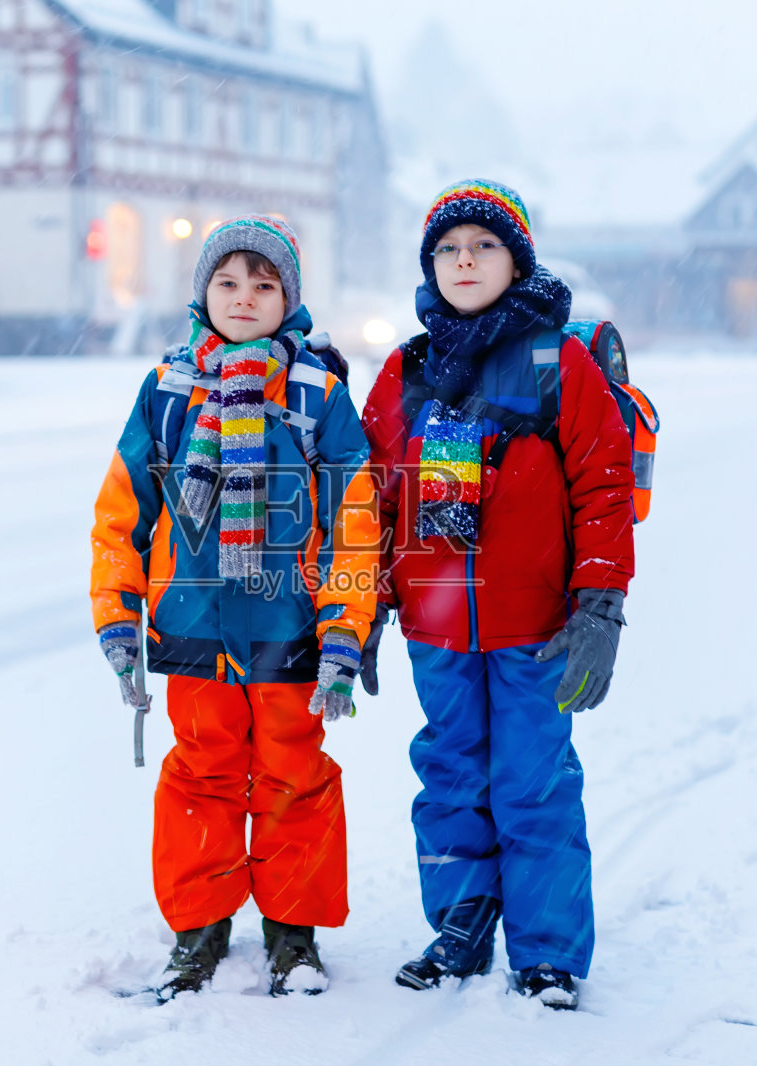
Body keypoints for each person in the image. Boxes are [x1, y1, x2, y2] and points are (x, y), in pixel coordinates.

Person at [360, 181, 636, 1010]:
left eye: (484, 245)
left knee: (533, 782)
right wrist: (360, 607)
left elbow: (604, 489)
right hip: (436, 626)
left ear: (517, 261)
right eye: (448, 249)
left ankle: (547, 952)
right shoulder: (406, 370)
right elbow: (367, 500)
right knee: (451, 775)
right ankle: (462, 927)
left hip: (538, 626)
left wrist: (600, 606)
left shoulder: (559, 362)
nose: (465, 261)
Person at [90, 215, 379, 1002]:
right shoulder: (168, 391)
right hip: (192, 627)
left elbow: (354, 521)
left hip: (289, 629)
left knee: (294, 777)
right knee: (201, 776)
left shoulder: (317, 395)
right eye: (227, 281)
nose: (244, 297)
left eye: (263, 283)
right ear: (203, 292)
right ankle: (200, 927)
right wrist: (118, 620)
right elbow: (121, 515)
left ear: (289, 300)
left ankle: (292, 932)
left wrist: (345, 631)